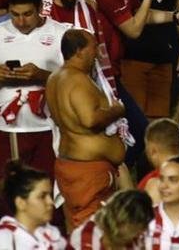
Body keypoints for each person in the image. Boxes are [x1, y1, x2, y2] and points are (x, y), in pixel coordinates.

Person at [0, 0, 67, 204]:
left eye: (27, 14)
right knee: (7, 195)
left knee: (46, 196)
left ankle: (46, 239)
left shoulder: (60, 33)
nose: (21, 21)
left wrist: (41, 76)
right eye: (15, 15)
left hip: (47, 129)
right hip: (7, 129)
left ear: (39, 9)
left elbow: (75, 82)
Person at [45, 28, 126, 228]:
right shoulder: (76, 79)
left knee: (76, 228)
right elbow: (89, 119)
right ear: (79, 51)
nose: (97, 53)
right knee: (94, 232)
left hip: (69, 164)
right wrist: (117, 110)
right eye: (93, 48)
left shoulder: (54, 78)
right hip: (88, 173)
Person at [0, 162, 65, 249]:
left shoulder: (52, 236)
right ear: (21, 203)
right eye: (42, 196)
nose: (50, 202)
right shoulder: (0, 239)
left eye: (50, 195)